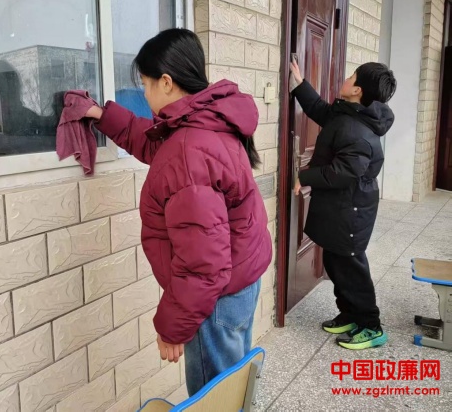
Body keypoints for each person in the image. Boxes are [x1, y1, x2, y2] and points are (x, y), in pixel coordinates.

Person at [85, 28, 272, 395]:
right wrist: (101, 115)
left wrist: (173, 327)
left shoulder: (187, 149)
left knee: (215, 399)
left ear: (167, 82)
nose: (144, 93)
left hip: (213, 301)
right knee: (234, 389)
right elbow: (153, 141)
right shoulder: (209, 120)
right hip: (240, 283)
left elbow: (203, 264)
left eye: (145, 84)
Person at [289, 59, 397, 350]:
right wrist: (300, 85)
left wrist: (304, 176)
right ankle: (350, 314)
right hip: (342, 205)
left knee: (351, 268)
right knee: (335, 262)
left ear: (358, 90)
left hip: (352, 209)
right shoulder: (349, 111)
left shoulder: (357, 131)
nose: (345, 79)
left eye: (351, 76)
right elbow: (322, 112)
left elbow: (342, 172)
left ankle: (371, 326)